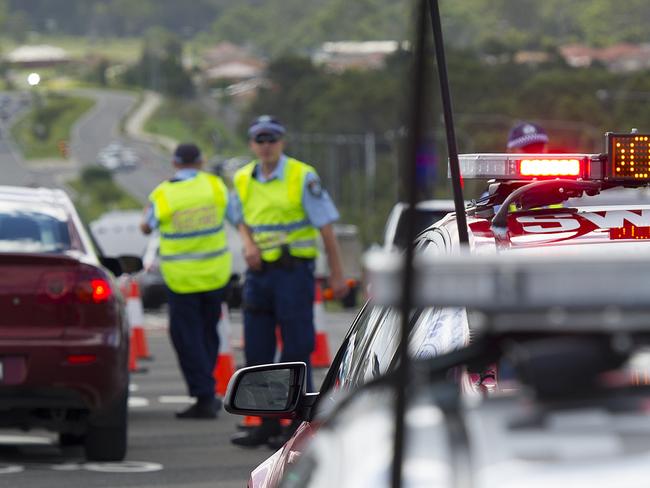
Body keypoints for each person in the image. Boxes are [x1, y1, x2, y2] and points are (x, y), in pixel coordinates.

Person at [230, 115, 348, 447]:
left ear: (282, 142)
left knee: (296, 351)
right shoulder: (242, 177)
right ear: (252, 144)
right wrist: (248, 243)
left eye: (272, 139)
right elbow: (240, 218)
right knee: (257, 353)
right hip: (260, 276)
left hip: (293, 274)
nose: (266, 146)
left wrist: (337, 274)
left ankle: (293, 426)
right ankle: (265, 425)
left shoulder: (301, 175)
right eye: (260, 140)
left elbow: (326, 227)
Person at [141, 143, 234, 419]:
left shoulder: (163, 193)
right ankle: (208, 390)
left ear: (175, 163)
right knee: (208, 333)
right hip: (216, 276)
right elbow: (238, 217)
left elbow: (147, 226)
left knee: (186, 337)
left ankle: (204, 394)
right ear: (201, 161)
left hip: (181, 280)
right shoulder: (216, 186)